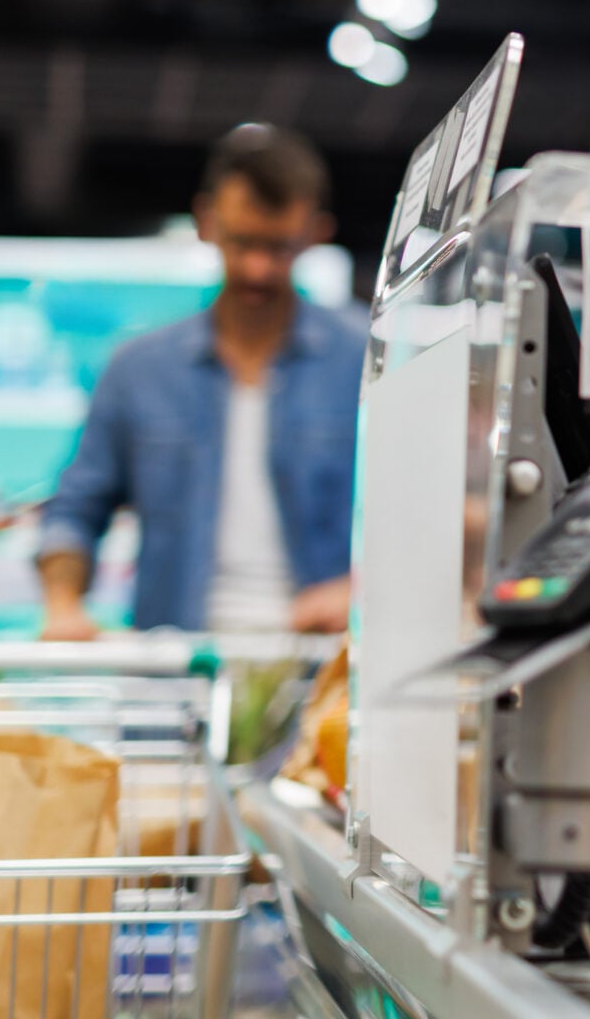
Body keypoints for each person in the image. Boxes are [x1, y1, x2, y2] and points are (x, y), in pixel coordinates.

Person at [38, 124, 362, 637]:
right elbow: (76, 507)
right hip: (176, 672)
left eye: (278, 247)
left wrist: (358, 589)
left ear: (315, 234)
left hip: (323, 674)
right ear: (207, 222)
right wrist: (62, 603)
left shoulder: (366, 358)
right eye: (242, 243)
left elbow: (420, 510)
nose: (257, 268)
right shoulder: (139, 369)